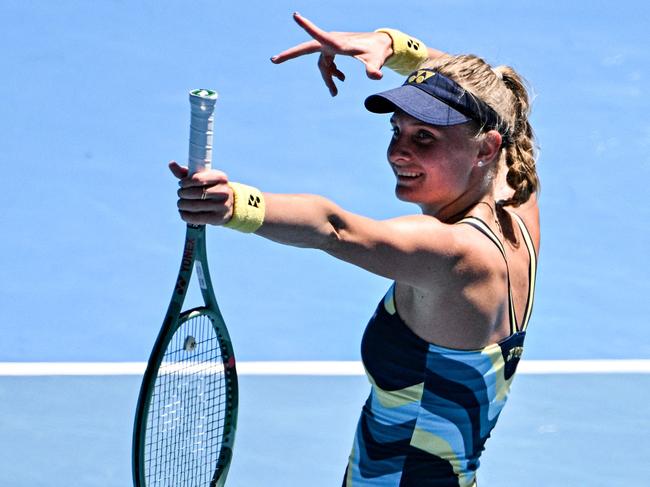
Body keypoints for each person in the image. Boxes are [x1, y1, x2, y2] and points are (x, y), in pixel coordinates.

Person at [171, 13, 540, 487]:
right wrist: (391, 44)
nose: (398, 152)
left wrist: (236, 204)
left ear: (485, 149)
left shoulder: (453, 253)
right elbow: (497, 99)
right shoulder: (518, 200)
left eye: (424, 137)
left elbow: (332, 227)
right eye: (397, 131)